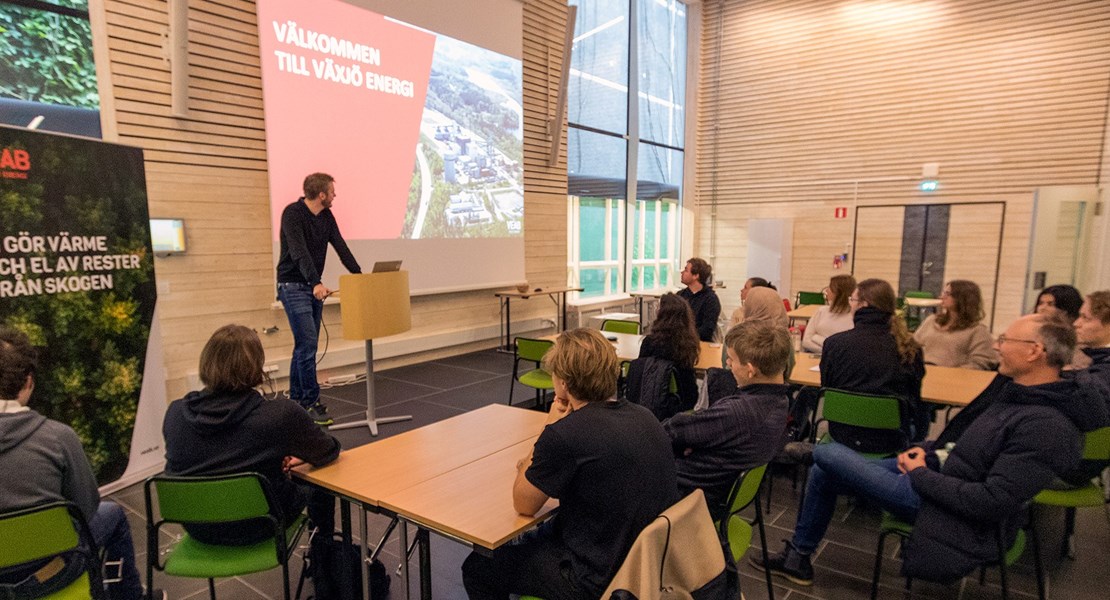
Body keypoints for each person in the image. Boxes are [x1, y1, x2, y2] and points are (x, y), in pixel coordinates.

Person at [755, 315, 1093, 586]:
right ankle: (798, 558)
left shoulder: (1045, 426)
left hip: (943, 505)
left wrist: (919, 473)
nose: (997, 345)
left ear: (1035, 351)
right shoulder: (1018, 396)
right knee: (823, 469)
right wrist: (927, 452)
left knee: (826, 456)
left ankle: (794, 453)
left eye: (1005, 340)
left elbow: (990, 501)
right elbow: (967, 446)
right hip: (938, 474)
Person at [461, 328, 678, 599]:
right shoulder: (645, 417)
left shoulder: (565, 434)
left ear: (563, 382)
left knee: (478, 567)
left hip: (594, 578)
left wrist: (549, 425)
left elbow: (523, 503)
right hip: (648, 565)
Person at [0, 327, 154, 600]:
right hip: (54, 573)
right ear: (28, 382)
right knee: (113, 515)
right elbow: (86, 507)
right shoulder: (58, 437)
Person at [162, 325, 341, 546]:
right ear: (257, 365)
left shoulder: (175, 413)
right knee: (322, 484)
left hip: (199, 527)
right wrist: (294, 456)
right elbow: (329, 451)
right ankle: (324, 556)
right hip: (263, 524)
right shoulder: (281, 414)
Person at [662, 320, 791, 519]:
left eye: (731, 359)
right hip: (714, 491)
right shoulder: (779, 402)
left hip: (688, 498)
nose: (728, 364)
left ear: (750, 369)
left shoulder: (739, 412)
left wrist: (691, 443)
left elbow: (672, 431)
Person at [276, 172, 362, 425]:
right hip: (292, 285)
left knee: (303, 346)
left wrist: (358, 274)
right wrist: (315, 282)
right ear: (322, 194)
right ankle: (311, 403)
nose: (335, 195)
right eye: (332, 191)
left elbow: (340, 245)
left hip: (311, 287)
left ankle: (296, 403)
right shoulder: (292, 214)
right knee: (308, 345)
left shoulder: (326, 217)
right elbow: (298, 251)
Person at [820, 278, 927, 443]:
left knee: (820, 459)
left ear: (863, 304)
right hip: (892, 437)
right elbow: (914, 393)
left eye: (852, 300)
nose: (850, 304)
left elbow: (827, 385)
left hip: (842, 434)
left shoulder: (834, 344)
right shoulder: (910, 348)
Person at [912, 280, 995, 369]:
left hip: (953, 376)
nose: (942, 297)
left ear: (962, 298)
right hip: (923, 371)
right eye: (943, 292)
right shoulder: (931, 320)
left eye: (947, 294)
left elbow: (981, 361)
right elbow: (912, 346)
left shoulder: (977, 331)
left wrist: (953, 373)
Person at [637, 292, 700, 408]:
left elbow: (642, 370)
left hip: (650, 397)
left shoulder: (649, 342)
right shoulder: (688, 344)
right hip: (683, 398)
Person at [801, 274, 856, 353]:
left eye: (830, 287)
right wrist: (830, 352)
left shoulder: (854, 317)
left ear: (837, 292)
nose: (826, 290)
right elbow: (806, 341)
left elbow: (849, 348)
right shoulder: (821, 311)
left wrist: (816, 338)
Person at [677, 257, 721, 342]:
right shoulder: (680, 296)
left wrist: (685, 337)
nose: (682, 272)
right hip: (678, 344)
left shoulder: (711, 299)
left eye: (686, 270)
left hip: (699, 344)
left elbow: (707, 330)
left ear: (696, 276)